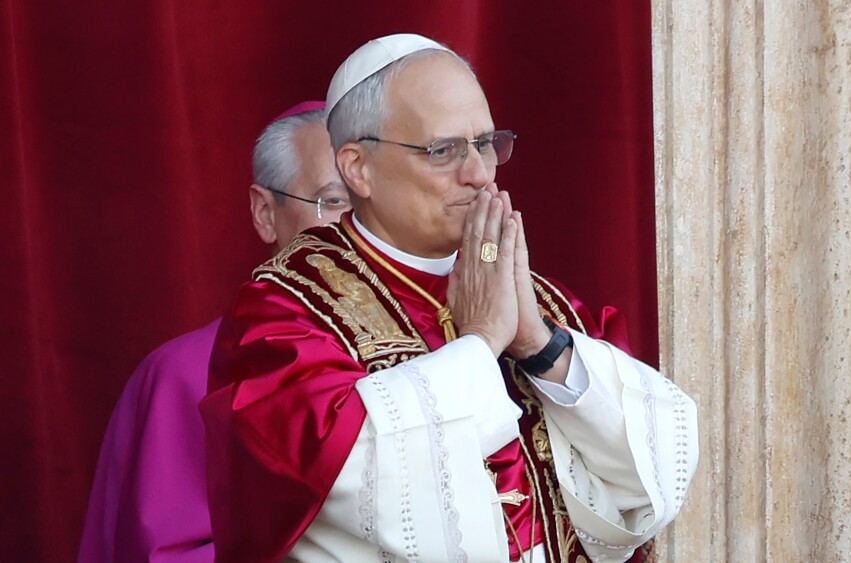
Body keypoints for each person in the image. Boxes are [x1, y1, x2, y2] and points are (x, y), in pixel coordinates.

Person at [201, 34, 699, 563]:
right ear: (357, 168)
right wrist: (481, 343)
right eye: (444, 151)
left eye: (486, 144)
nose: (480, 174)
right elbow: (346, 483)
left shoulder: (535, 299)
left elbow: (658, 474)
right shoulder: (287, 309)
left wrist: (538, 345)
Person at [78, 101, 351, 563]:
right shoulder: (186, 375)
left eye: (372, 204)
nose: (356, 228)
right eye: (333, 201)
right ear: (266, 213)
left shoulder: (435, 352)